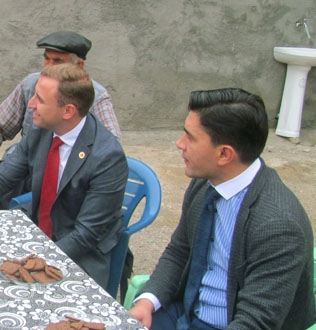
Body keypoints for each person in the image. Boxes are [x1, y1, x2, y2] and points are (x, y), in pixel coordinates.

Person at [0, 63, 128, 288]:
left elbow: (86, 234)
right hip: (38, 235)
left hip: (80, 254)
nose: (30, 105)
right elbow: (1, 178)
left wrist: (32, 263)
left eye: (39, 99)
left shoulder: (107, 157)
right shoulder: (43, 131)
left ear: (68, 111)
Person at [128, 88, 315, 330]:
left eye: (190, 137)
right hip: (184, 314)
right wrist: (147, 301)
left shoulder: (278, 226)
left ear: (224, 154)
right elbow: (180, 250)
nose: (179, 144)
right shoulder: (206, 182)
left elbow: (256, 322)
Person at [0, 30, 121, 187]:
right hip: (22, 168)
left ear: (79, 66)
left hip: (62, 178)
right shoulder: (30, 83)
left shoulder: (97, 96)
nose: (49, 66)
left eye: (57, 61)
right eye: (46, 59)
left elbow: (110, 146)